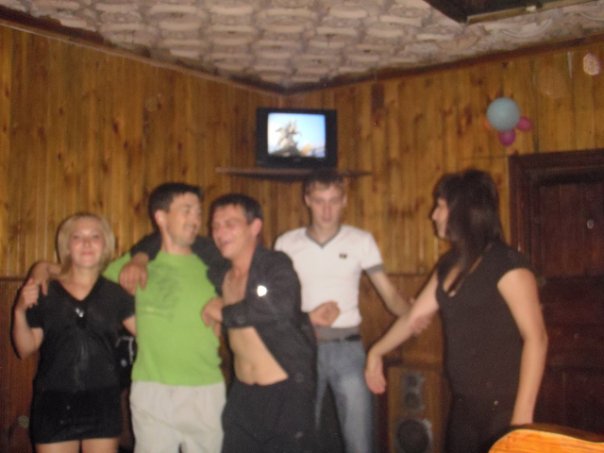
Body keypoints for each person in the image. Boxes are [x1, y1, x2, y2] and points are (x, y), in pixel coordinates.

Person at [29, 183, 228, 453]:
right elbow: (77, 273)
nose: (196, 219)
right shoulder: (123, 269)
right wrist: (41, 268)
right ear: (161, 217)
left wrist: (225, 302)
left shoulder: (213, 265)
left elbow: (242, 292)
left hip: (204, 388)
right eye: (187, 210)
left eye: (198, 212)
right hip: (151, 389)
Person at [365, 169, 549, 453]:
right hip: (464, 403)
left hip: (505, 407)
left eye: (440, 206)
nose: (433, 215)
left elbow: (537, 339)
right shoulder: (449, 265)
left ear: (463, 211)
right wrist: (376, 351)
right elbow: (413, 317)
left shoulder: (508, 265)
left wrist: (521, 419)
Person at [273, 169, 412, 453]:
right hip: (301, 349)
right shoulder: (286, 243)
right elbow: (277, 306)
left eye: (334, 201)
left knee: (359, 442)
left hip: (348, 349)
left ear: (344, 201)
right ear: (307, 200)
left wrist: (414, 312)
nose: (326, 210)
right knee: (298, 440)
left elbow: (389, 296)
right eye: (319, 201)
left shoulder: (361, 241)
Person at [202, 193, 318, 452]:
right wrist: (140, 258)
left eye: (230, 224)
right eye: (215, 226)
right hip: (243, 393)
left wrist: (224, 313)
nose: (220, 232)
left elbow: (280, 306)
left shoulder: (275, 264)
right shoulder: (221, 273)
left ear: (255, 227)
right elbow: (182, 240)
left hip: (284, 393)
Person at [12, 213, 136, 453]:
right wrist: (19, 310)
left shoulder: (117, 293)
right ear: (67, 246)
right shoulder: (45, 290)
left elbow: (149, 335)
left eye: (95, 236)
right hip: (54, 403)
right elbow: (24, 348)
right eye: (77, 237)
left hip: (103, 402)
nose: (87, 243)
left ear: (105, 244)